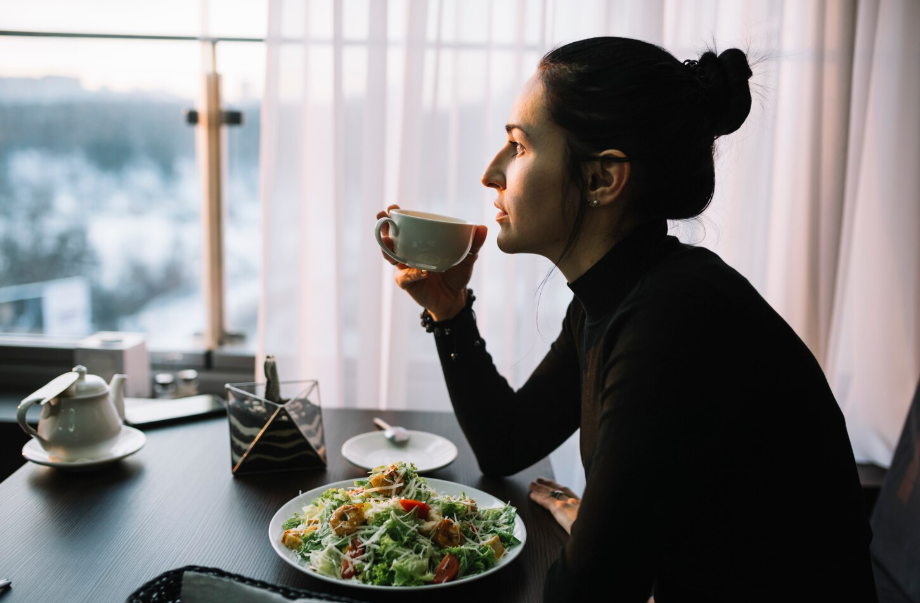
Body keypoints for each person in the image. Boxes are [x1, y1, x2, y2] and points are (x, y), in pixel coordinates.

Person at [377, 37, 877, 602]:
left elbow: (585, 595)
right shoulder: (623, 297)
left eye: (517, 146)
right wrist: (449, 311)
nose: (492, 173)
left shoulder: (671, 323)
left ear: (602, 180)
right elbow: (508, 442)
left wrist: (595, 545)